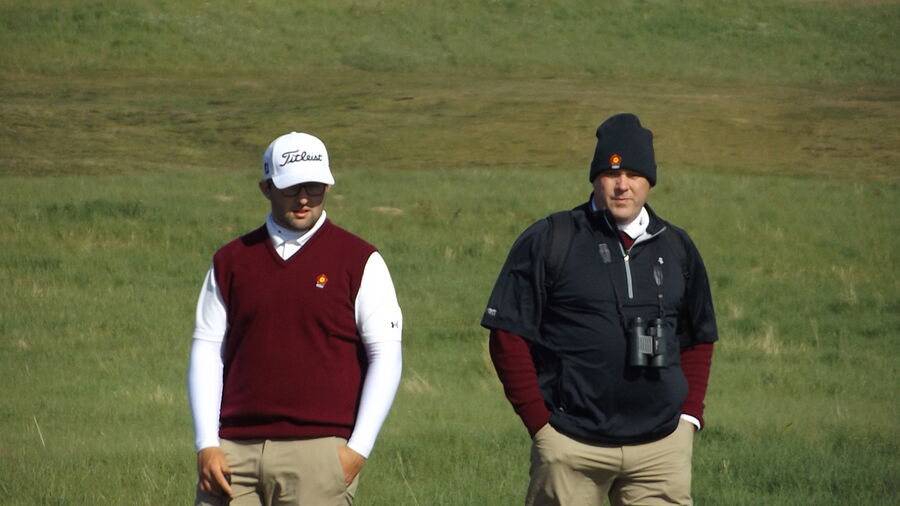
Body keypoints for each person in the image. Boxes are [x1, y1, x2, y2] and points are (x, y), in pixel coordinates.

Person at [482, 113, 718, 506]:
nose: (622, 184)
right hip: (572, 445)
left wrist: (688, 417)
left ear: (650, 181)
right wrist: (541, 426)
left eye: (633, 173)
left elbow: (699, 336)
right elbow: (507, 333)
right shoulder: (552, 239)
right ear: (595, 178)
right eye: (611, 173)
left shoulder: (676, 247)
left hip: (660, 449)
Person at [188, 131, 403, 505]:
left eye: (315, 187)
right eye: (291, 189)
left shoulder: (360, 260)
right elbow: (207, 351)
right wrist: (207, 444)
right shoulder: (231, 261)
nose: (304, 199)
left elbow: (386, 356)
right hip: (233, 453)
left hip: (320, 455)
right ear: (266, 188)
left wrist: (356, 451)